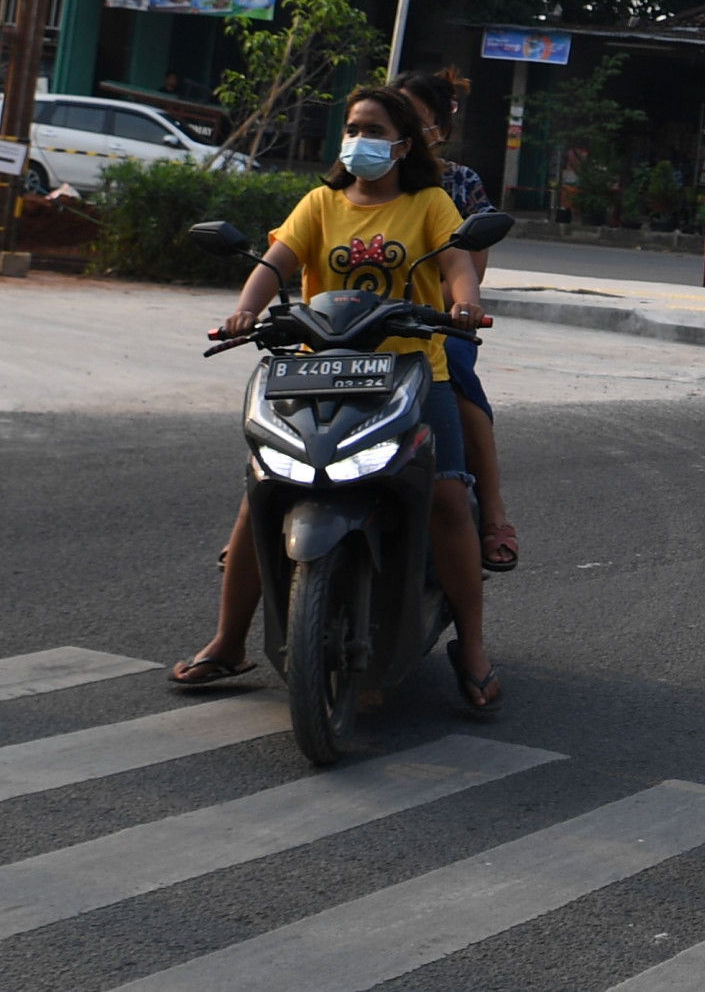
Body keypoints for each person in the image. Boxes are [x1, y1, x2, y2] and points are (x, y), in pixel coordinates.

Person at [170, 85, 499, 713]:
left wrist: (465, 301)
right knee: (260, 494)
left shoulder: (429, 203)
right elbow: (274, 263)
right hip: (317, 370)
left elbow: (457, 263)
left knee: (451, 499)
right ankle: (228, 641)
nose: (359, 141)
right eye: (352, 128)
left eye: (373, 130)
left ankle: (475, 649)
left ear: (402, 143)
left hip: (410, 370)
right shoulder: (320, 204)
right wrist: (244, 312)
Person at [394, 68, 516, 575]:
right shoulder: (362, 185)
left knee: (461, 388)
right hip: (360, 328)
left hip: (434, 323)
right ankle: (265, 517)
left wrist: (443, 306)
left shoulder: (459, 184)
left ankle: (492, 514)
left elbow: (469, 270)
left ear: (439, 130)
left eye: (411, 120)